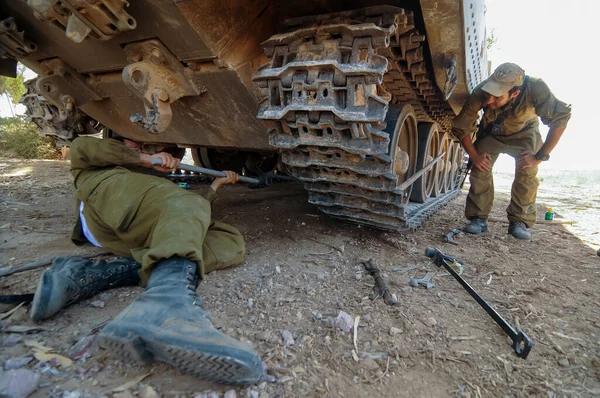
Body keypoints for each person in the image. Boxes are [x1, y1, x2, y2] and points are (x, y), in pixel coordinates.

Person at [29, 136, 266, 385]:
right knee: (183, 202)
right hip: (107, 202)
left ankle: (88, 274)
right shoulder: (98, 166)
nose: (138, 148)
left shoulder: (147, 182)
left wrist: (215, 186)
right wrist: (146, 159)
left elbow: (185, 220)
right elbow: (81, 147)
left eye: (142, 147)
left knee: (230, 242)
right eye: (133, 144)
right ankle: (167, 305)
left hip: (133, 234)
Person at [452, 62, 571, 240]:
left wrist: (540, 156)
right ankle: (478, 218)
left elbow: (561, 118)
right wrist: (474, 156)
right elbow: (462, 127)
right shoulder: (481, 92)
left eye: (497, 97)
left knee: (527, 171)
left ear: (515, 93)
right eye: (488, 95)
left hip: (525, 133)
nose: (489, 101)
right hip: (493, 133)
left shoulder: (536, 88)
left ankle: (519, 220)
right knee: (480, 167)